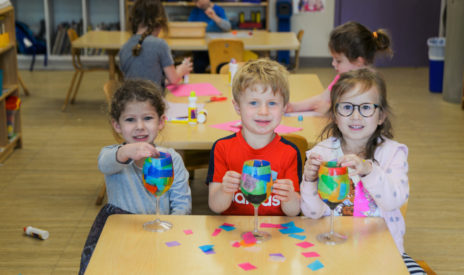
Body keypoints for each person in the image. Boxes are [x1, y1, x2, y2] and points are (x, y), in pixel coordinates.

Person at [300, 69, 425, 274]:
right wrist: (309, 180)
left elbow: (393, 201)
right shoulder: (322, 153)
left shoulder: (392, 154)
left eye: (366, 107)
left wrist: (369, 171)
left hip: (385, 249)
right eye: (347, 107)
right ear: (334, 115)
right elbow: (312, 213)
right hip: (332, 247)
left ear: (381, 116)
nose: (356, 116)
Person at [78, 79, 192, 275]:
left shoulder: (171, 159)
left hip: (161, 235)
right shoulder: (114, 154)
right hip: (121, 236)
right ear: (117, 125)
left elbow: (182, 203)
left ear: (161, 122)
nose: (139, 126)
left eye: (147, 118)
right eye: (130, 120)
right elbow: (104, 163)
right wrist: (127, 152)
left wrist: (171, 229)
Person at [207, 59, 301, 216]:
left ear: (284, 107)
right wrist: (225, 189)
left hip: (276, 235)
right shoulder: (222, 148)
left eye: (272, 103)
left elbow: (293, 212)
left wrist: (290, 197)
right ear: (237, 106)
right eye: (253, 103)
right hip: (233, 233)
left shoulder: (290, 152)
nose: (263, 111)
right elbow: (216, 207)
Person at [286, 21, 392, 114]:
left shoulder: (370, 87)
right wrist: (294, 107)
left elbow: (359, 118)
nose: (333, 64)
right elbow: (322, 98)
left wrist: (330, 111)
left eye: (338, 61)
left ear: (359, 61)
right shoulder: (341, 78)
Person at [119, 0, 192, 91]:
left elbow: (146, 82)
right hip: (152, 103)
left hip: (130, 102)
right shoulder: (160, 44)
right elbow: (173, 79)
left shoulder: (124, 48)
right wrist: (181, 70)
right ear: (160, 23)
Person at [188, 0, 231, 73]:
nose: (197, 5)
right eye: (195, 2)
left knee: (221, 66)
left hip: (218, 49)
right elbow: (189, 27)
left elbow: (227, 27)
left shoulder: (218, 9)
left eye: (197, 1)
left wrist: (214, 17)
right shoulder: (195, 11)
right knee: (198, 64)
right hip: (201, 49)